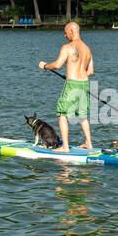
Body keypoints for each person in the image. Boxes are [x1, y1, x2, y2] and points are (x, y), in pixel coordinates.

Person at [38, 22, 94, 152]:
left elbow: (57, 65)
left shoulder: (68, 47)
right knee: (82, 115)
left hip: (72, 84)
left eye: (65, 32)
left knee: (62, 113)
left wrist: (45, 66)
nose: (64, 35)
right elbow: (90, 71)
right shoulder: (87, 48)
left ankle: (65, 147)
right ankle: (89, 143)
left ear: (72, 31)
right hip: (84, 83)